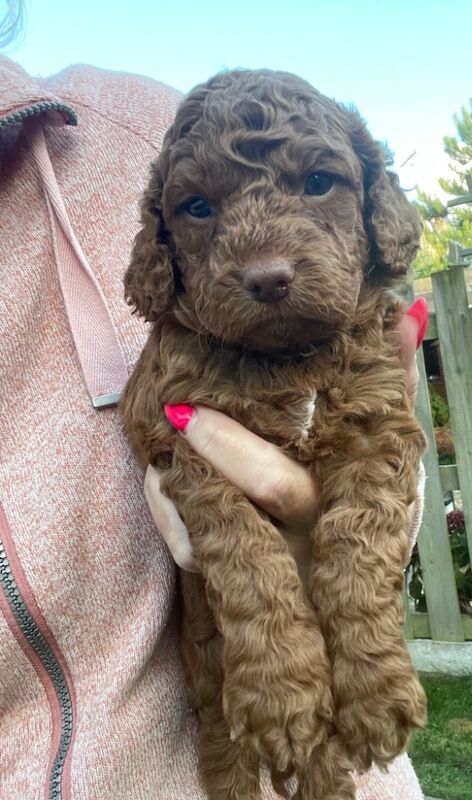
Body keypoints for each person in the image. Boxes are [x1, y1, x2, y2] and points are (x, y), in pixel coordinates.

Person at [0, 8, 428, 798]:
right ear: (163, 240)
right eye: (202, 210)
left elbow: (393, 448)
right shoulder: (183, 349)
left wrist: (356, 598)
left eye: (319, 182)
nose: (265, 259)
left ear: (373, 199)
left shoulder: (131, 127)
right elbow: (165, 435)